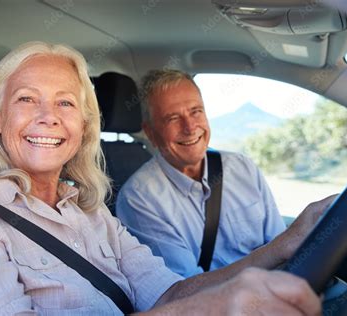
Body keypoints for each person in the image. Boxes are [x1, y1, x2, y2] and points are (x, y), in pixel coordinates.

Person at [0, 41, 327, 315]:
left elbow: (171, 294)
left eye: (66, 103)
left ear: (84, 126)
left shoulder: (90, 214)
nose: (48, 116)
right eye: (27, 99)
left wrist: (290, 242)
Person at [116, 69, 290, 277]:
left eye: (195, 111)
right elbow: (187, 288)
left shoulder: (242, 167)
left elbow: (280, 245)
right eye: (172, 118)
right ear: (151, 133)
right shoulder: (139, 198)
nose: (190, 127)